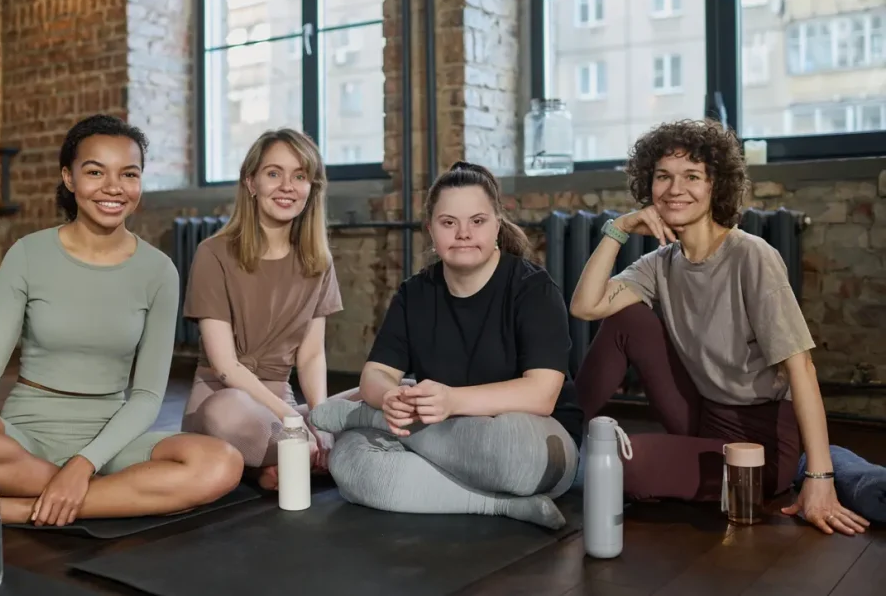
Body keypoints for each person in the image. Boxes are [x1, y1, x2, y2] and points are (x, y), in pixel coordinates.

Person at [0, 115, 244, 534]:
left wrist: (84, 463)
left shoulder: (160, 271)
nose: (113, 187)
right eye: (95, 172)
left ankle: (20, 509)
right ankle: (110, 497)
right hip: (26, 441)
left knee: (222, 463)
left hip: (113, 440)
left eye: (129, 174)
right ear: (69, 178)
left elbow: (146, 395)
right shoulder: (27, 254)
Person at [569, 119, 870, 537]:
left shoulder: (751, 256)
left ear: (715, 186)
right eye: (663, 177)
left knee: (619, 464)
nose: (676, 189)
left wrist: (822, 482)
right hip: (704, 412)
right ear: (648, 185)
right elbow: (586, 306)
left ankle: (810, 465)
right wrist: (617, 229)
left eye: (692, 176)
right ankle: (561, 439)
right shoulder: (661, 263)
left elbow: (802, 369)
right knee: (625, 316)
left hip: (759, 441)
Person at [308, 161, 583, 529]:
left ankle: (365, 417)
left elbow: (541, 395)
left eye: (477, 221)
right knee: (350, 461)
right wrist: (388, 397)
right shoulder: (415, 293)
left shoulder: (533, 288)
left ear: (498, 225)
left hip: (529, 440)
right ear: (431, 231)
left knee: (521, 456)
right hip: (446, 432)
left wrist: (450, 401)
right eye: (449, 222)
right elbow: (375, 374)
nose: (463, 233)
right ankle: (501, 505)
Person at [181, 128, 347, 491]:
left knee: (390, 391)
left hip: (279, 405)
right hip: (226, 402)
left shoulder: (318, 261)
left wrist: (318, 419)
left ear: (311, 188)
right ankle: (302, 459)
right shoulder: (213, 253)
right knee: (227, 412)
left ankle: (279, 463)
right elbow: (225, 367)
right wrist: (293, 421)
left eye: (300, 176)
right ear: (251, 182)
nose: (287, 186)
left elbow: (312, 356)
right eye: (274, 173)